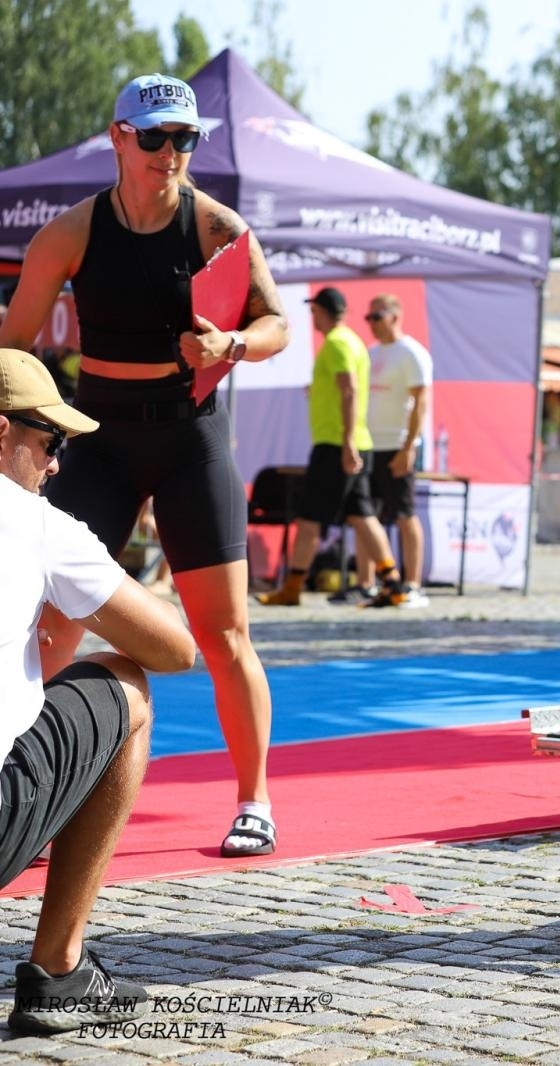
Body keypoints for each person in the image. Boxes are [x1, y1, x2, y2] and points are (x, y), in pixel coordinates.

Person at [0, 74, 291, 859]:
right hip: (99, 440)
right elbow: (14, 346)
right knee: (54, 617)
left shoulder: (217, 226)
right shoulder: (68, 234)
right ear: (119, 137)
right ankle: (25, 790)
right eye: (156, 137)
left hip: (191, 437)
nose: (171, 154)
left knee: (224, 631)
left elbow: (276, 324)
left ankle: (254, 799)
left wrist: (232, 345)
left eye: (186, 139)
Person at [0, 348, 196, 1035]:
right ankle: (59, 970)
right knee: (129, 685)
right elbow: (175, 649)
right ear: (1, 433)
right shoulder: (37, 522)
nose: (56, 464)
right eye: (50, 442)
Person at [257, 287, 411, 609]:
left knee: (310, 518)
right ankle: (394, 583)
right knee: (362, 515)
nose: (312, 318)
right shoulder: (352, 341)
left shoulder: (338, 344)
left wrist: (347, 443)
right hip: (355, 442)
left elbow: (350, 390)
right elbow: (345, 388)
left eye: (313, 312)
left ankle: (292, 587)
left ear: (322, 311)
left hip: (336, 444)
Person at [341, 294, 433, 607]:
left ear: (394, 315)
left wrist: (408, 447)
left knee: (405, 514)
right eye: (368, 318)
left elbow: (421, 403)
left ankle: (413, 584)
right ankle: (367, 583)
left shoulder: (412, 353)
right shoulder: (371, 353)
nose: (371, 324)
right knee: (367, 515)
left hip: (397, 443)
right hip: (370, 443)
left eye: (376, 317)